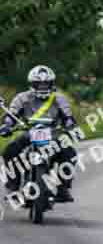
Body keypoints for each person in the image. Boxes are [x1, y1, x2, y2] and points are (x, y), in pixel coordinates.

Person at [0, 65, 79, 203]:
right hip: (28, 132)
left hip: (53, 134)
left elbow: (68, 116)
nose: (43, 86)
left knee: (70, 153)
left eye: (46, 83)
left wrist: (69, 126)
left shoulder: (59, 98)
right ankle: (13, 186)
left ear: (51, 83)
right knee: (9, 151)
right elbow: (11, 115)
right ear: (32, 84)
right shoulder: (22, 98)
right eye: (39, 83)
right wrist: (7, 125)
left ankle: (63, 188)